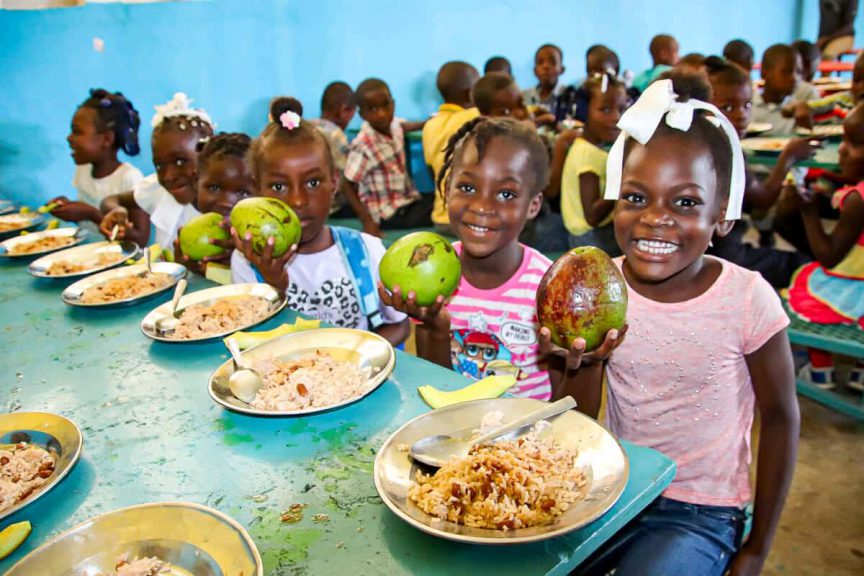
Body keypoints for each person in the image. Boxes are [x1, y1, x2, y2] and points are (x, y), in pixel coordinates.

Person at [546, 78, 799, 576]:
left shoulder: (746, 300)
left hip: (701, 510)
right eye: (636, 198)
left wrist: (757, 547)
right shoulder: (602, 286)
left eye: (684, 203)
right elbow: (578, 412)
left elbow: (782, 418)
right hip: (615, 488)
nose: (655, 219)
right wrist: (584, 360)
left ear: (722, 214)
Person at [379, 118, 560, 400]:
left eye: (505, 193)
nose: (482, 206)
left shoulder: (548, 286)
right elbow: (438, 388)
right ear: (448, 187)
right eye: (467, 188)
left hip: (529, 434)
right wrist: (434, 327)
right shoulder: (431, 271)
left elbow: (567, 403)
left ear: (532, 205)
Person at [231, 100, 410, 347]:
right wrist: (273, 284)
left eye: (313, 183)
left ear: (334, 183)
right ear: (257, 190)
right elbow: (252, 340)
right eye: (279, 186)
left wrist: (351, 358)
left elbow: (399, 324)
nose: (298, 200)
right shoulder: (247, 261)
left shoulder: (368, 251)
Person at [706, 57, 816, 287]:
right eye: (727, 107)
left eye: (747, 105)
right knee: (801, 266)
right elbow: (764, 200)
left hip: (708, 250)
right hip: (727, 258)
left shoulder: (701, 143)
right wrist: (789, 156)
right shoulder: (726, 151)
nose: (741, 114)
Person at [783, 103, 864, 391]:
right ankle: (860, 373)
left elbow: (828, 255)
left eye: (853, 144)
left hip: (855, 286)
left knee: (808, 287)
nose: (842, 150)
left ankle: (821, 371)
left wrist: (808, 211)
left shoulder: (858, 200)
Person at [100, 93, 214, 250]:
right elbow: (110, 200)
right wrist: (117, 210)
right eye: (159, 165)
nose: (168, 176)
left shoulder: (227, 204)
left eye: (181, 161)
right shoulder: (158, 190)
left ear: (208, 155)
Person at [339, 78, 431, 237]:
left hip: (407, 200)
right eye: (373, 109)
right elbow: (346, 183)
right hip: (388, 213)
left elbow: (402, 126)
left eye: (385, 105)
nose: (381, 114)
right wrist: (367, 221)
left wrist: (428, 123)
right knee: (438, 211)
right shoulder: (364, 145)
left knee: (437, 200)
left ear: (393, 104)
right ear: (362, 114)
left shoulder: (393, 125)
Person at [52, 89, 143, 235]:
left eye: (77, 132)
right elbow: (85, 219)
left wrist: (92, 214)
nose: (69, 138)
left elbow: (140, 239)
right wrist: (68, 208)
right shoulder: (83, 169)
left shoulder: (129, 178)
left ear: (106, 139)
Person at [557, 73, 629, 254]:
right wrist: (622, 182)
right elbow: (592, 216)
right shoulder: (587, 154)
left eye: (621, 109)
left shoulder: (592, 148)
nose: (616, 117)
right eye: (605, 110)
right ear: (583, 111)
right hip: (590, 238)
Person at [173, 132, 254, 275]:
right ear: (196, 181)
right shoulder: (193, 231)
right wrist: (188, 272)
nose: (226, 203)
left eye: (243, 192)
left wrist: (242, 262)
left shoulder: (263, 242)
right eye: (214, 188)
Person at [423, 61, 480, 235]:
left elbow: (432, 172)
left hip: (440, 219)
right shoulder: (476, 116)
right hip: (471, 221)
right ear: (470, 93)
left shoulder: (429, 125)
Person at [752, 44, 820, 136]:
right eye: (786, 71)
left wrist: (808, 124)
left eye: (799, 72)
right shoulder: (748, 107)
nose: (794, 77)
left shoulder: (798, 111)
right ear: (764, 73)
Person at [310, 82, 357, 215]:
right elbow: (345, 179)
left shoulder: (308, 127)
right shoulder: (336, 135)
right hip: (331, 208)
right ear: (343, 110)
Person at [522, 44, 566, 114]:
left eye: (552, 62)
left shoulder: (569, 95)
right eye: (540, 62)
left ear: (562, 69)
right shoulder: (524, 96)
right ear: (534, 71)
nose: (546, 66)